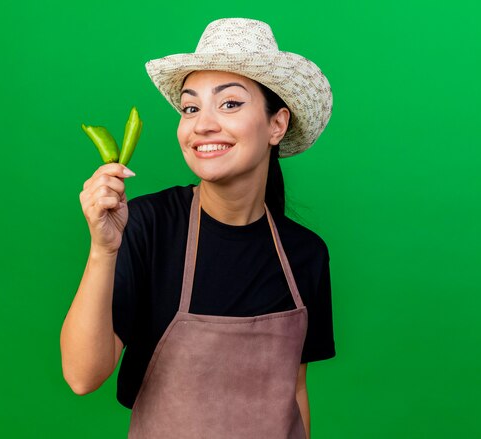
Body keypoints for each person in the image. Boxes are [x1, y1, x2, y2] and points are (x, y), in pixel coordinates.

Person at [60, 17, 335, 439]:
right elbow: (82, 376)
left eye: (229, 104)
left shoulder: (306, 254)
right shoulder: (148, 227)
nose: (202, 124)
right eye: (191, 107)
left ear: (276, 125)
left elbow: (294, 392)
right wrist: (102, 250)